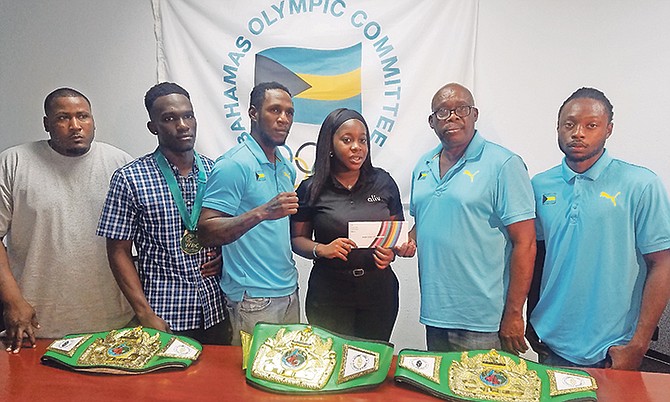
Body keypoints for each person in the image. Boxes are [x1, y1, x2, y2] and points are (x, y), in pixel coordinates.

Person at [527, 87, 670, 370]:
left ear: (608, 130)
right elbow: (538, 256)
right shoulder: (540, 186)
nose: (578, 132)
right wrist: (530, 319)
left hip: (613, 349)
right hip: (551, 342)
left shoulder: (640, 185)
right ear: (557, 127)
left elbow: (663, 264)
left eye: (591, 125)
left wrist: (638, 345)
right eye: (569, 124)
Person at [0, 88, 134, 352]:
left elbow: (151, 233)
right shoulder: (14, 162)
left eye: (83, 116)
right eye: (63, 118)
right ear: (46, 124)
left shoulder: (120, 164)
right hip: (35, 324)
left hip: (113, 323)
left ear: (93, 120)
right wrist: (12, 301)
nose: (75, 126)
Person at [96, 82, 230, 345]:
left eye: (188, 115)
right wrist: (144, 313)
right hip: (164, 315)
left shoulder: (217, 172)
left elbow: (229, 229)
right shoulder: (130, 178)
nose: (182, 125)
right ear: (153, 127)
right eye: (169, 118)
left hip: (216, 310)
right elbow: (118, 251)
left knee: (214, 385)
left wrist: (225, 257)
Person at [409, 83, 536, 354]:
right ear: (432, 122)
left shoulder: (504, 164)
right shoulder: (423, 165)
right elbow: (423, 223)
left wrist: (515, 313)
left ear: (475, 114)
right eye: (443, 111)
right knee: (439, 392)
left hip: (485, 321)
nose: (452, 116)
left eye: (461, 109)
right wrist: (402, 241)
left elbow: (525, 243)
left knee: (484, 394)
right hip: (435, 314)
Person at [289, 108, 415, 341]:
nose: (357, 147)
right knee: (332, 363)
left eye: (362, 140)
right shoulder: (311, 188)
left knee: (372, 362)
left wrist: (393, 254)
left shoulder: (384, 182)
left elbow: (395, 239)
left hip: (378, 292)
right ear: (329, 144)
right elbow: (297, 240)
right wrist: (321, 249)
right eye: (347, 140)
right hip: (329, 293)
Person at [198, 82, 299, 345]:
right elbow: (206, 231)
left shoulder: (287, 167)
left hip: (289, 290)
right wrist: (263, 212)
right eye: (275, 110)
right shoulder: (234, 164)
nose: (283, 119)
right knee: (252, 380)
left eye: (289, 112)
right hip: (252, 297)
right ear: (253, 113)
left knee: (286, 375)